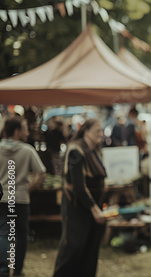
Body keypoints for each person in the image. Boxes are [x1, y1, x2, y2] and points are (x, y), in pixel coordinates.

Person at [53, 118, 107, 277]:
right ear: (86, 131)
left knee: (91, 246)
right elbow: (78, 185)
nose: (100, 134)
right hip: (77, 205)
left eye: (101, 130)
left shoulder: (95, 148)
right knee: (74, 246)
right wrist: (94, 208)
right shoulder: (76, 150)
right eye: (97, 130)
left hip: (94, 202)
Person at [0, 116, 46, 277]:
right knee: (20, 235)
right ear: (17, 131)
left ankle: (3, 270)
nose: (28, 131)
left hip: (2, 198)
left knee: (3, 233)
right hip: (20, 198)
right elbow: (41, 172)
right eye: (25, 128)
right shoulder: (27, 150)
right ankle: (17, 270)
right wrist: (30, 187)